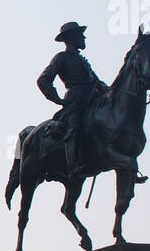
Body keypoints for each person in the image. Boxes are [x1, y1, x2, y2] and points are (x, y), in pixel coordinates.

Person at [37, 21, 107, 178]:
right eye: (80, 35)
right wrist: (57, 99)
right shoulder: (61, 57)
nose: (83, 37)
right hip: (75, 101)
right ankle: (73, 165)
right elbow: (43, 79)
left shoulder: (83, 61)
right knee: (74, 128)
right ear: (71, 38)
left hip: (91, 98)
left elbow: (97, 82)